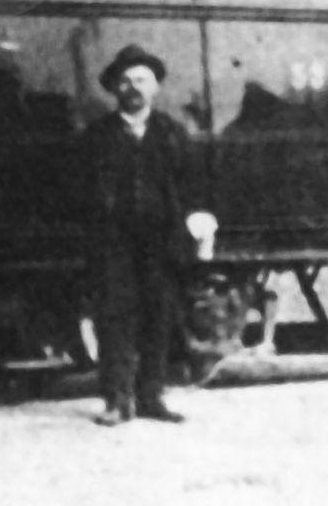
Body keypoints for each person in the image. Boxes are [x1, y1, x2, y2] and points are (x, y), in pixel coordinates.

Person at [84, 44, 195, 426]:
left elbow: (191, 184)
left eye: (142, 80)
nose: (134, 88)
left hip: (160, 243)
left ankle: (151, 397)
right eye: (126, 81)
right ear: (115, 89)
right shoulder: (96, 136)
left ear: (155, 88)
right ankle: (117, 400)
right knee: (114, 319)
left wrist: (195, 224)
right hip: (113, 243)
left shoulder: (172, 134)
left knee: (158, 318)